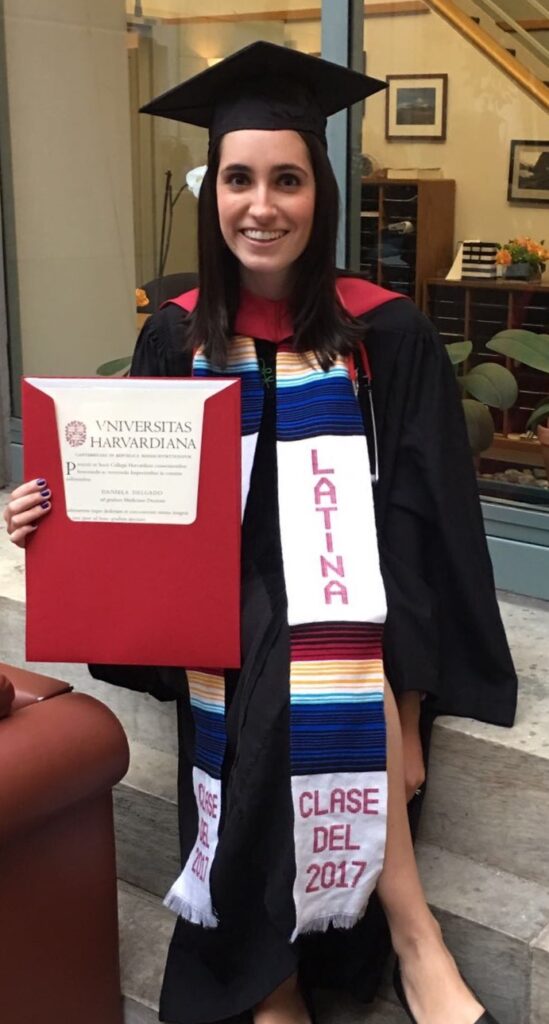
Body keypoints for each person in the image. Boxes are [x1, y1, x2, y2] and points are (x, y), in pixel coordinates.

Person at [5, 42, 516, 1024]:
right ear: (214, 195)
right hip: (215, 605)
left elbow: (415, 527)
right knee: (274, 648)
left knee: (303, 652)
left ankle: (273, 986)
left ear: (318, 192)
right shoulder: (178, 332)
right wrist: (38, 510)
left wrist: (407, 707)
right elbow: (129, 486)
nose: (262, 204)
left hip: (352, 598)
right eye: (239, 179)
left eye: (287, 179)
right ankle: (404, 942)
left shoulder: (386, 334)